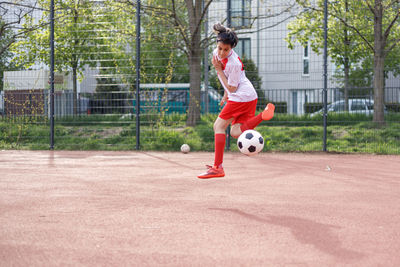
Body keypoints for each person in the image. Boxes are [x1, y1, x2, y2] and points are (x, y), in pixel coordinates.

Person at [197, 23, 275, 179]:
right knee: (234, 132)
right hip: (248, 97)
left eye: (226, 50)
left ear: (231, 49)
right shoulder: (216, 54)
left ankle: (218, 167)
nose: (222, 52)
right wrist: (226, 95)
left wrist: (219, 72)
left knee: (218, 126)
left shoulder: (234, 63)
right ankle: (262, 116)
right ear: (217, 44)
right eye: (220, 48)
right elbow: (230, 84)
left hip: (241, 96)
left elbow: (232, 86)